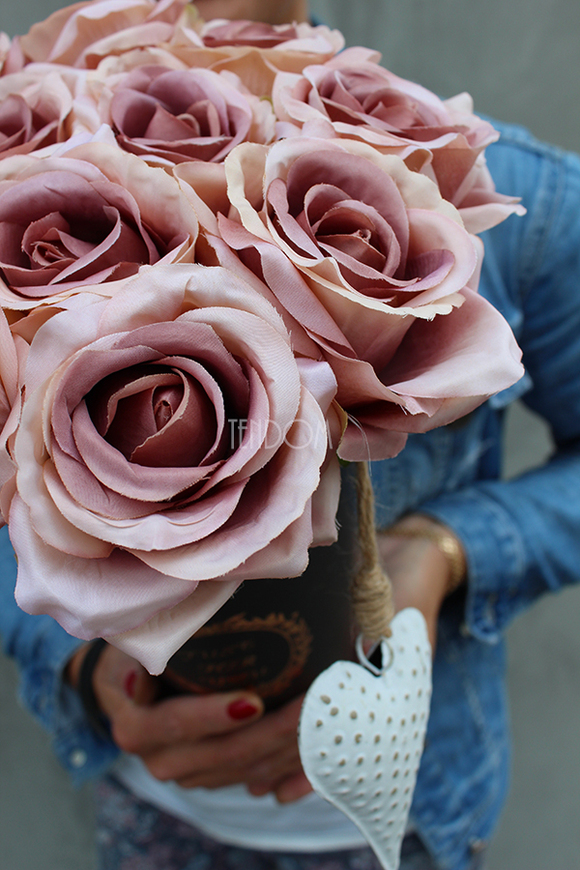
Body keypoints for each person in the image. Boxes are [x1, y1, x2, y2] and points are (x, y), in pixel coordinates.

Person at [2, 1, 580, 869]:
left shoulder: (531, 200)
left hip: (415, 810)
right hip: (152, 805)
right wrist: (78, 661)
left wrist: (448, 548)